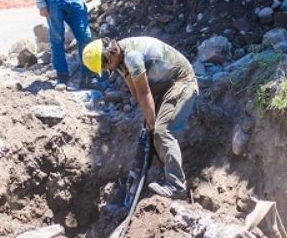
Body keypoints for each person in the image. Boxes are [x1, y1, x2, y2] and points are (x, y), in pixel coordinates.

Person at [82, 37, 199, 199]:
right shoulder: (119, 59)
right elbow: (136, 92)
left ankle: (176, 186)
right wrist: (148, 119)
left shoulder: (132, 57)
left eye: (105, 66)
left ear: (109, 56)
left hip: (181, 83)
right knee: (151, 131)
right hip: (164, 87)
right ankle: (162, 173)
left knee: (161, 131)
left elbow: (144, 93)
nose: (107, 69)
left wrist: (152, 123)